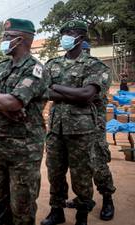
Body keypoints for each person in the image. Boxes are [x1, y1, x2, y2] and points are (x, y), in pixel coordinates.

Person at [0, 18, 48, 225]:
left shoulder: (35, 69)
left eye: (7, 37)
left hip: (24, 151)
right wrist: (3, 107)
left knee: (22, 206)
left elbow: (14, 102)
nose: (3, 41)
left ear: (21, 39)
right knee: (0, 201)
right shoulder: (1, 67)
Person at [40, 20, 110, 225]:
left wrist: (57, 88)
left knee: (82, 175)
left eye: (69, 33)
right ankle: (57, 211)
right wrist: (71, 92)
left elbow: (87, 95)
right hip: (56, 129)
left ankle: (82, 215)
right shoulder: (52, 64)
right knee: (55, 172)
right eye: (63, 33)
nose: (65, 37)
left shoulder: (95, 66)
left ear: (81, 37)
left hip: (83, 131)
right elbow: (44, 91)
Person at [65, 39, 116, 221]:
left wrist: (70, 92)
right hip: (75, 124)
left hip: (95, 124)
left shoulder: (97, 69)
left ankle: (107, 198)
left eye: (85, 52)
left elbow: (87, 95)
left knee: (98, 163)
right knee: (79, 166)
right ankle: (82, 199)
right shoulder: (70, 69)